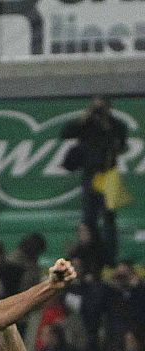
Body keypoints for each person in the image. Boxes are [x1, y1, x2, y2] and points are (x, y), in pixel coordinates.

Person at [61, 97, 128, 265]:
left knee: (108, 218)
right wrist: (85, 117)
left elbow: (122, 145)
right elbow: (66, 133)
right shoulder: (87, 124)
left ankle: (109, 258)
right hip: (90, 173)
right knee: (89, 217)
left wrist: (107, 127)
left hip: (108, 174)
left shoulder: (116, 124)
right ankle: (88, 256)